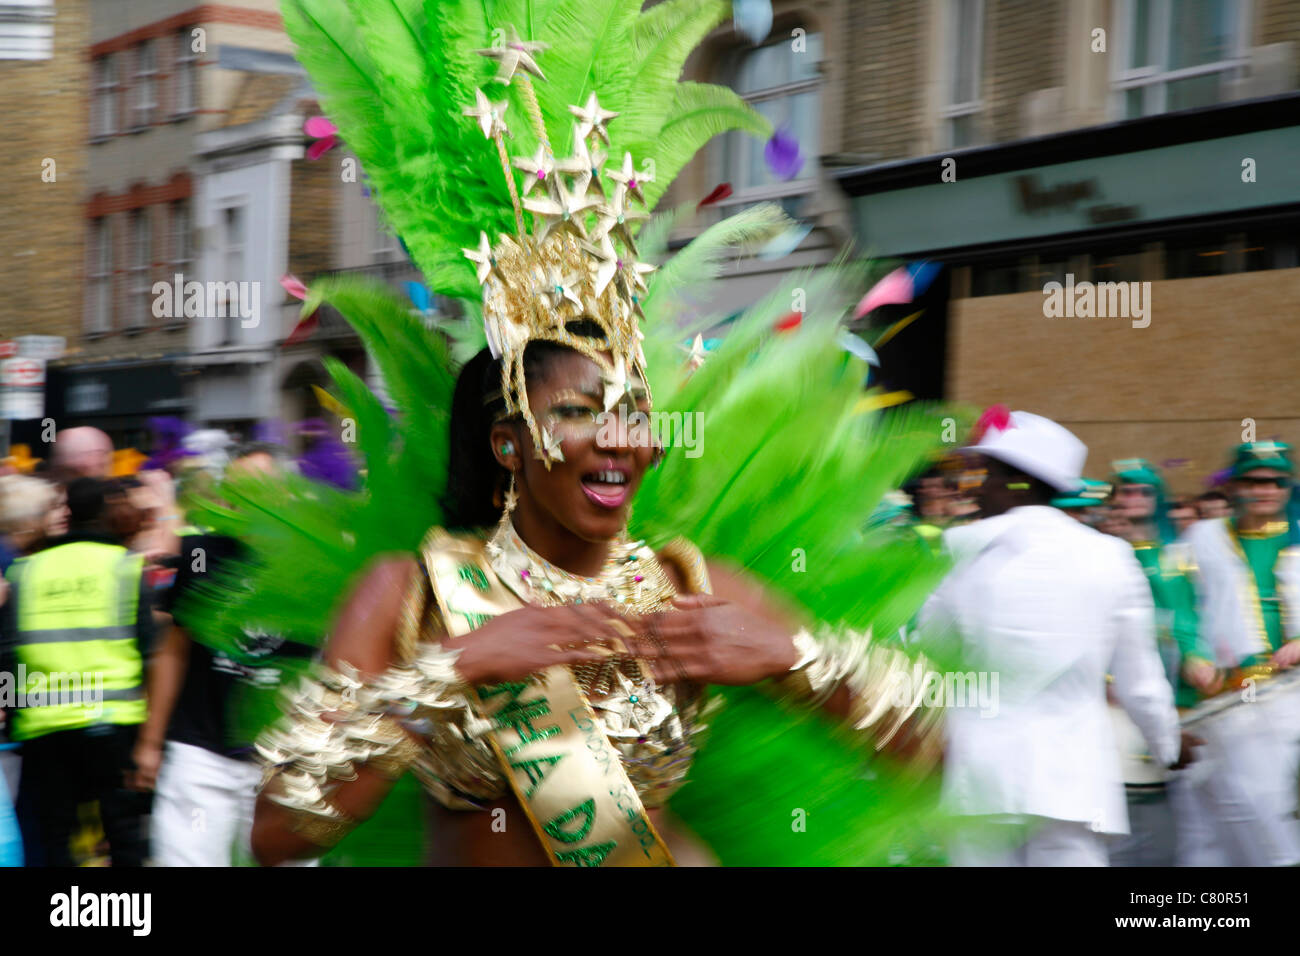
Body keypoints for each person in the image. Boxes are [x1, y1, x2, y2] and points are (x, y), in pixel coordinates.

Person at [185, 2, 951, 868]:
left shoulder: (690, 586)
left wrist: (795, 657)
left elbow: (927, 749)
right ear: (508, 442)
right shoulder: (416, 595)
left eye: (633, 414)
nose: (618, 440)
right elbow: (281, 828)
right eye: (579, 412)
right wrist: (457, 667)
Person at [919, 411, 1191, 866]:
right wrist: (1168, 746)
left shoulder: (958, 549)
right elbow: (1140, 678)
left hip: (978, 783)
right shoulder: (1111, 555)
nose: (971, 487)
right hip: (1073, 785)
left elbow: (929, 660)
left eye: (982, 474)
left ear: (1018, 481)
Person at [134, 444, 316, 866]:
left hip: (282, 755)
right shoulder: (200, 556)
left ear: (286, 494)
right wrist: (150, 742)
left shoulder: (312, 562)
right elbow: (174, 651)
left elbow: (327, 661)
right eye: (237, 492)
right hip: (201, 753)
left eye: (262, 489)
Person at [1, 477, 155, 866]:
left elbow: (8, 653)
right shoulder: (124, 566)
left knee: (55, 838)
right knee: (123, 835)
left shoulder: (25, 570)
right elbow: (149, 649)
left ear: (68, 514)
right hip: (114, 722)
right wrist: (153, 738)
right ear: (106, 513)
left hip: (45, 726)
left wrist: (14, 708)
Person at [1170, 441, 1300, 866]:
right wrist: (1191, 652)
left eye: (1275, 481)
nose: (1264, 489)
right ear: (1235, 486)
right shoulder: (1202, 538)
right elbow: (1180, 603)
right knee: (1219, 819)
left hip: (1286, 697)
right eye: (1252, 480)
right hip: (1223, 697)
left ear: (1287, 487)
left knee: (1269, 809)